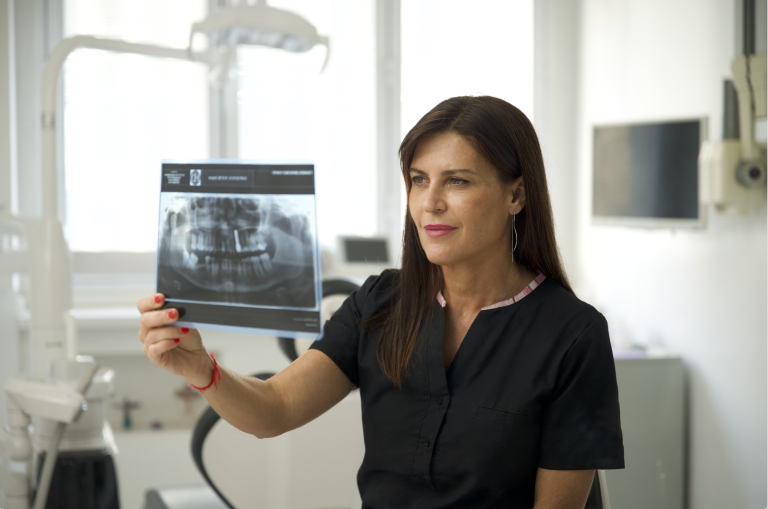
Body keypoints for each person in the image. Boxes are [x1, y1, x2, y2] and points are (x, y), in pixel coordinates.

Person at [138, 96, 624, 509]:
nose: (430, 202)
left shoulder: (572, 335)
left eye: (457, 181)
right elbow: (275, 409)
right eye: (418, 179)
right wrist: (201, 369)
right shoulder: (380, 302)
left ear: (516, 194)